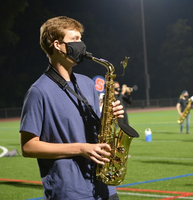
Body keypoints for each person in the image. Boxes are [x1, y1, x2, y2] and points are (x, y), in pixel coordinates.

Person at [19, 16, 124, 200]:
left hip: (104, 187)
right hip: (70, 191)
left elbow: (98, 132)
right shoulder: (38, 91)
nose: (81, 44)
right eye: (74, 39)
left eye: (81, 38)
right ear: (57, 45)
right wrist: (80, 149)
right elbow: (28, 147)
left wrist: (111, 119)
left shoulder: (86, 83)